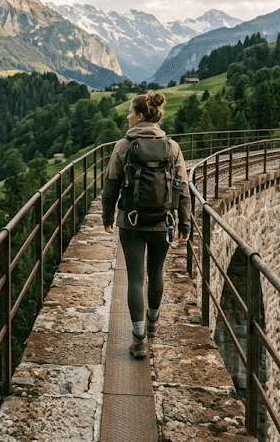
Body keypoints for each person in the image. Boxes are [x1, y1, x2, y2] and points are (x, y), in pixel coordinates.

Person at [102, 91, 190, 359]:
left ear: (140, 116)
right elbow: (182, 188)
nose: (127, 116)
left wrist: (107, 217)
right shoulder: (172, 147)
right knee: (156, 271)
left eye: (130, 112)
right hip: (162, 222)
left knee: (136, 277)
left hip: (131, 221)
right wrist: (184, 223)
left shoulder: (123, 146)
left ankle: (139, 340)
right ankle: (153, 323)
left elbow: (110, 185)